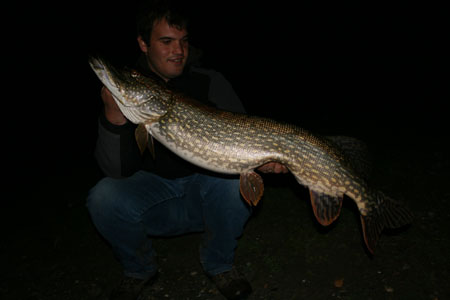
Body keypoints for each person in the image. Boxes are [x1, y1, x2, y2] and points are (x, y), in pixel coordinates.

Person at [87, 1, 287, 299]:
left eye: (183, 42)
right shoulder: (137, 90)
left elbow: (246, 136)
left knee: (234, 182)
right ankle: (139, 269)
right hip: (156, 198)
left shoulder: (210, 81)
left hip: (206, 193)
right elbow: (117, 171)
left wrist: (266, 161)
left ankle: (219, 264)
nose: (178, 51)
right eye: (166, 42)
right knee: (102, 196)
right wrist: (113, 118)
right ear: (143, 44)